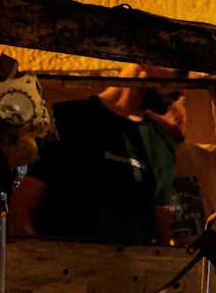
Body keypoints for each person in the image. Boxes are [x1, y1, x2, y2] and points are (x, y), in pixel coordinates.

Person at [10, 64, 185, 246]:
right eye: (178, 68)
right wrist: (37, 266)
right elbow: (21, 209)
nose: (182, 84)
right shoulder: (66, 119)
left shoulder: (162, 144)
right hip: (62, 268)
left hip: (134, 272)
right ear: (143, 62)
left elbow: (165, 235)